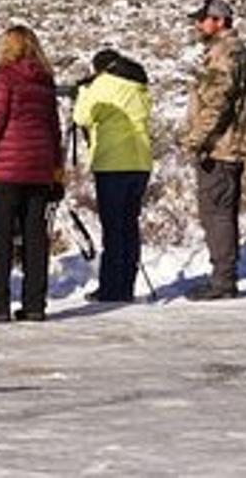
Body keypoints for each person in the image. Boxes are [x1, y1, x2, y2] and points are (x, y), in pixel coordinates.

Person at [0, 25, 63, 323]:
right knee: (35, 239)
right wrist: (57, 170)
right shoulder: (45, 82)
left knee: (1, 239)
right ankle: (34, 305)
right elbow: (54, 129)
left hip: (7, 170)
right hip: (40, 170)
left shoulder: (3, 78)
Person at [180, 0, 246, 299]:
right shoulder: (231, 51)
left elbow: (217, 102)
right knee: (221, 212)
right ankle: (224, 277)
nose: (198, 25)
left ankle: (223, 281)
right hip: (227, 145)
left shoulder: (225, 53)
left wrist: (195, 139)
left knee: (217, 214)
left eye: (203, 19)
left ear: (220, 21)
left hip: (221, 147)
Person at [72, 47, 153, 303]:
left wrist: (84, 91)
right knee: (129, 226)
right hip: (140, 161)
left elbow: (81, 116)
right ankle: (126, 284)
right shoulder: (139, 85)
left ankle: (111, 288)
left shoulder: (103, 84)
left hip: (113, 164)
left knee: (113, 228)